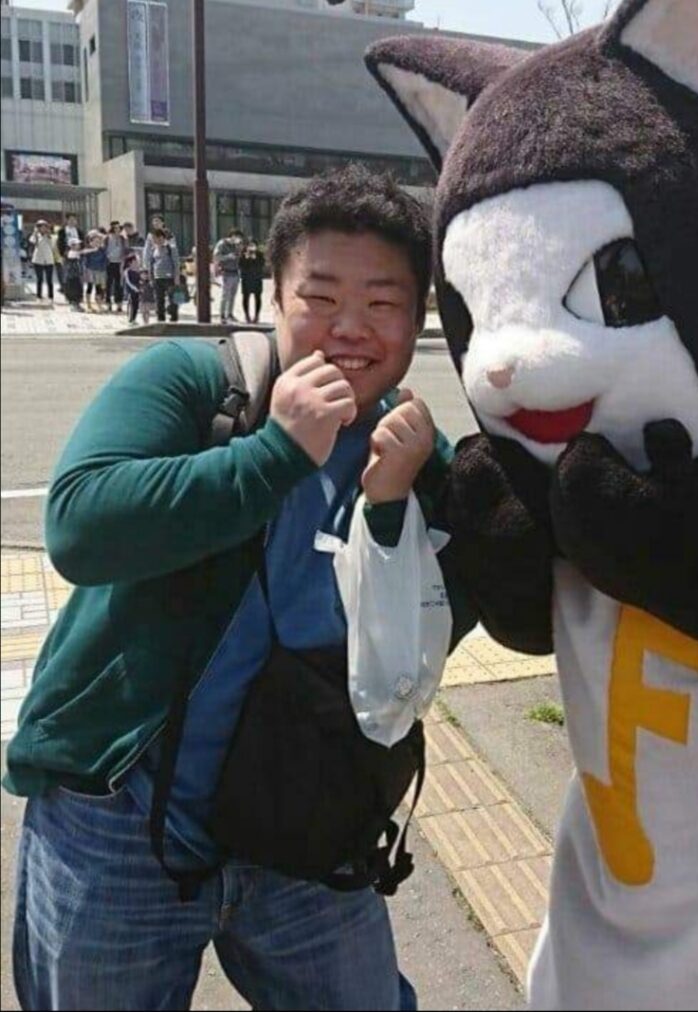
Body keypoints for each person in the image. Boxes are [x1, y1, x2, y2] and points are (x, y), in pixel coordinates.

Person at [5, 166, 473, 1011]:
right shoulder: (197, 384)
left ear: (417, 320)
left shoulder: (409, 450)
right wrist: (276, 453)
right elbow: (79, 526)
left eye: (383, 303)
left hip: (304, 819)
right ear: (273, 297)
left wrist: (393, 509)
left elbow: (441, 626)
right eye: (320, 297)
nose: (350, 328)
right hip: (119, 820)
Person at [144, 227, 180, 322]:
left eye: (156, 238)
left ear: (162, 237)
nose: (155, 241)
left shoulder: (171, 248)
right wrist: (150, 277)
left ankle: (173, 317)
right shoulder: (153, 250)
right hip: (157, 278)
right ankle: (160, 318)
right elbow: (151, 265)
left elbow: (176, 263)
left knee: (172, 299)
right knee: (159, 299)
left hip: (169, 277)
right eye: (154, 239)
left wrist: (176, 277)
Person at [214, 227, 245, 323]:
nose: (239, 240)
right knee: (225, 295)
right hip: (226, 273)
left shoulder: (236, 245)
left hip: (235, 272)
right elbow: (216, 256)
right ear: (233, 236)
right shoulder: (222, 244)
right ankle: (222, 315)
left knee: (233, 295)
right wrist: (228, 256)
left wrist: (240, 251)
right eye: (238, 238)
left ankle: (230, 314)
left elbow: (239, 257)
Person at [29, 221, 56, 301]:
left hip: (49, 260)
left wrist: (48, 235)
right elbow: (32, 241)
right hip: (38, 259)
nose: (44, 228)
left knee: (49, 280)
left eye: (45, 227)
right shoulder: (36, 236)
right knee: (39, 279)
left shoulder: (50, 236)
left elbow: (52, 245)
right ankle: (39, 296)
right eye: (41, 227)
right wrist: (35, 233)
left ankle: (50, 296)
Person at [240, 239, 266, 323]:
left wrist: (255, 258)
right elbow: (240, 265)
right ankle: (247, 315)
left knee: (258, 297)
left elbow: (262, 264)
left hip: (257, 278)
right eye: (250, 245)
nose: (251, 247)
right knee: (245, 297)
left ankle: (257, 315)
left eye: (253, 245)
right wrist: (246, 258)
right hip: (246, 278)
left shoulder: (260, 254)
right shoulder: (243, 254)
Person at [82, 231, 108, 311]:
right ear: (91, 242)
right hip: (90, 270)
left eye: (99, 241)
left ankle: (99, 305)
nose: (97, 243)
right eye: (95, 241)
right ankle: (89, 305)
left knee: (98, 288)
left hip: (99, 271)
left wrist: (103, 269)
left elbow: (105, 260)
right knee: (89, 287)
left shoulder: (102, 250)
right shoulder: (88, 250)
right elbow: (84, 258)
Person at [105, 221, 127, 312]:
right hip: (109, 263)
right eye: (116, 228)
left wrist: (123, 261)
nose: (118, 230)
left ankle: (119, 303)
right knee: (109, 284)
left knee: (119, 284)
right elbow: (104, 249)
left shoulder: (122, 238)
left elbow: (125, 250)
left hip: (119, 263)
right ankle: (108, 303)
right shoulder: (107, 238)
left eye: (119, 228)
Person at [56, 214, 81, 291]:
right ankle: (66, 289)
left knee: (77, 274)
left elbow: (83, 242)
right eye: (70, 219)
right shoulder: (62, 231)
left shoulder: (79, 231)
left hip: (78, 255)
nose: (72, 221)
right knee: (66, 273)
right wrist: (63, 253)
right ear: (67, 220)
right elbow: (60, 243)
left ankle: (76, 290)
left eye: (74, 219)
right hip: (67, 255)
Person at [62, 238, 84, 311]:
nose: (79, 245)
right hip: (71, 276)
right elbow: (82, 252)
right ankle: (73, 306)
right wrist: (94, 249)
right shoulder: (70, 252)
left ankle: (77, 305)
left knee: (78, 290)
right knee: (73, 290)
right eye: (77, 244)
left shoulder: (75, 252)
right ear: (72, 245)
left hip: (76, 275)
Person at [122, 253, 143, 323]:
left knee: (136, 305)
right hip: (130, 291)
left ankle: (134, 319)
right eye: (135, 261)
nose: (137, 263)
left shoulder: (138, 271)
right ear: (130, 263)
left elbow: (141, 280)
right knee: (131, 304)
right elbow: (128, 282)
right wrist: (134, 288)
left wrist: (140, 287)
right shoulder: (127, 271)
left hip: (137, 291)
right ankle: (130, 319)